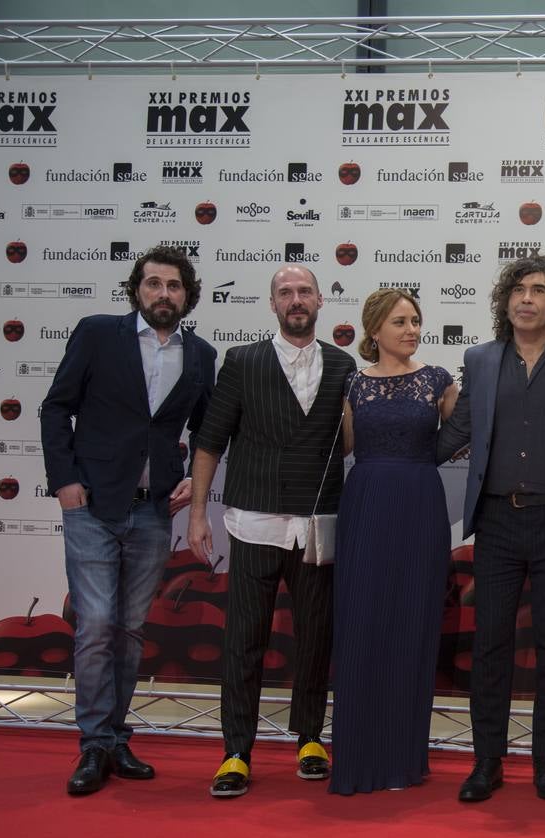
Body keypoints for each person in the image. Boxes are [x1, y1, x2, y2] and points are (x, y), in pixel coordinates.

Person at [42, 245, 216, 796]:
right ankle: (94, 743)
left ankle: (116, 736)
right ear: (136, 289)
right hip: (91, 504)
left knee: (130, 630)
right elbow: (55, 406)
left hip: (152, 509)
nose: (163, 293)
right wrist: (64, 479)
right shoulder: (97, 333)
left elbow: (208, 433)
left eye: (173, 286)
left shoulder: (202, 354)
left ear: (187, 295)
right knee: (95, 626)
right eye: (153, 284)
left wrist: (200, 484)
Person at [187, 264, 357, 799]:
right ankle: (236, 750)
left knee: (314, 638)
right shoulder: (242, 362)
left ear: (321, 301)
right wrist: (196, 516)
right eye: (285, 292)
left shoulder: (344, 365)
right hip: (253, 521)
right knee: (244, 642)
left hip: (317, 526)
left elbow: (346, 443)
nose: (296, 300)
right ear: (272, 304)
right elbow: (211, 442)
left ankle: (310, 737)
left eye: (305, 291)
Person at [437, 255, 545, 802]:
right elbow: (456, 432)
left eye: (539, 290)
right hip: (498, 520)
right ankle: (487, 761)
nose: (527, 299)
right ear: (505, 301)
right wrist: (391, 436)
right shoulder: (480, 360)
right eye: (518, 290)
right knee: (491, 645)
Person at [329, 288, 457, 795]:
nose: (411, 330)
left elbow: (465, 431)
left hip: (420, 507)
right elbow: (342, 446)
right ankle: (358, 759)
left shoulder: (437, 382)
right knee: (362, 623)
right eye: (400, 322)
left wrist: (428, 459)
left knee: (412, 624)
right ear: (374, 330)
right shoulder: (353, 384)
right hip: (365, 506)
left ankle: (403, 759)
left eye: (416, 321)